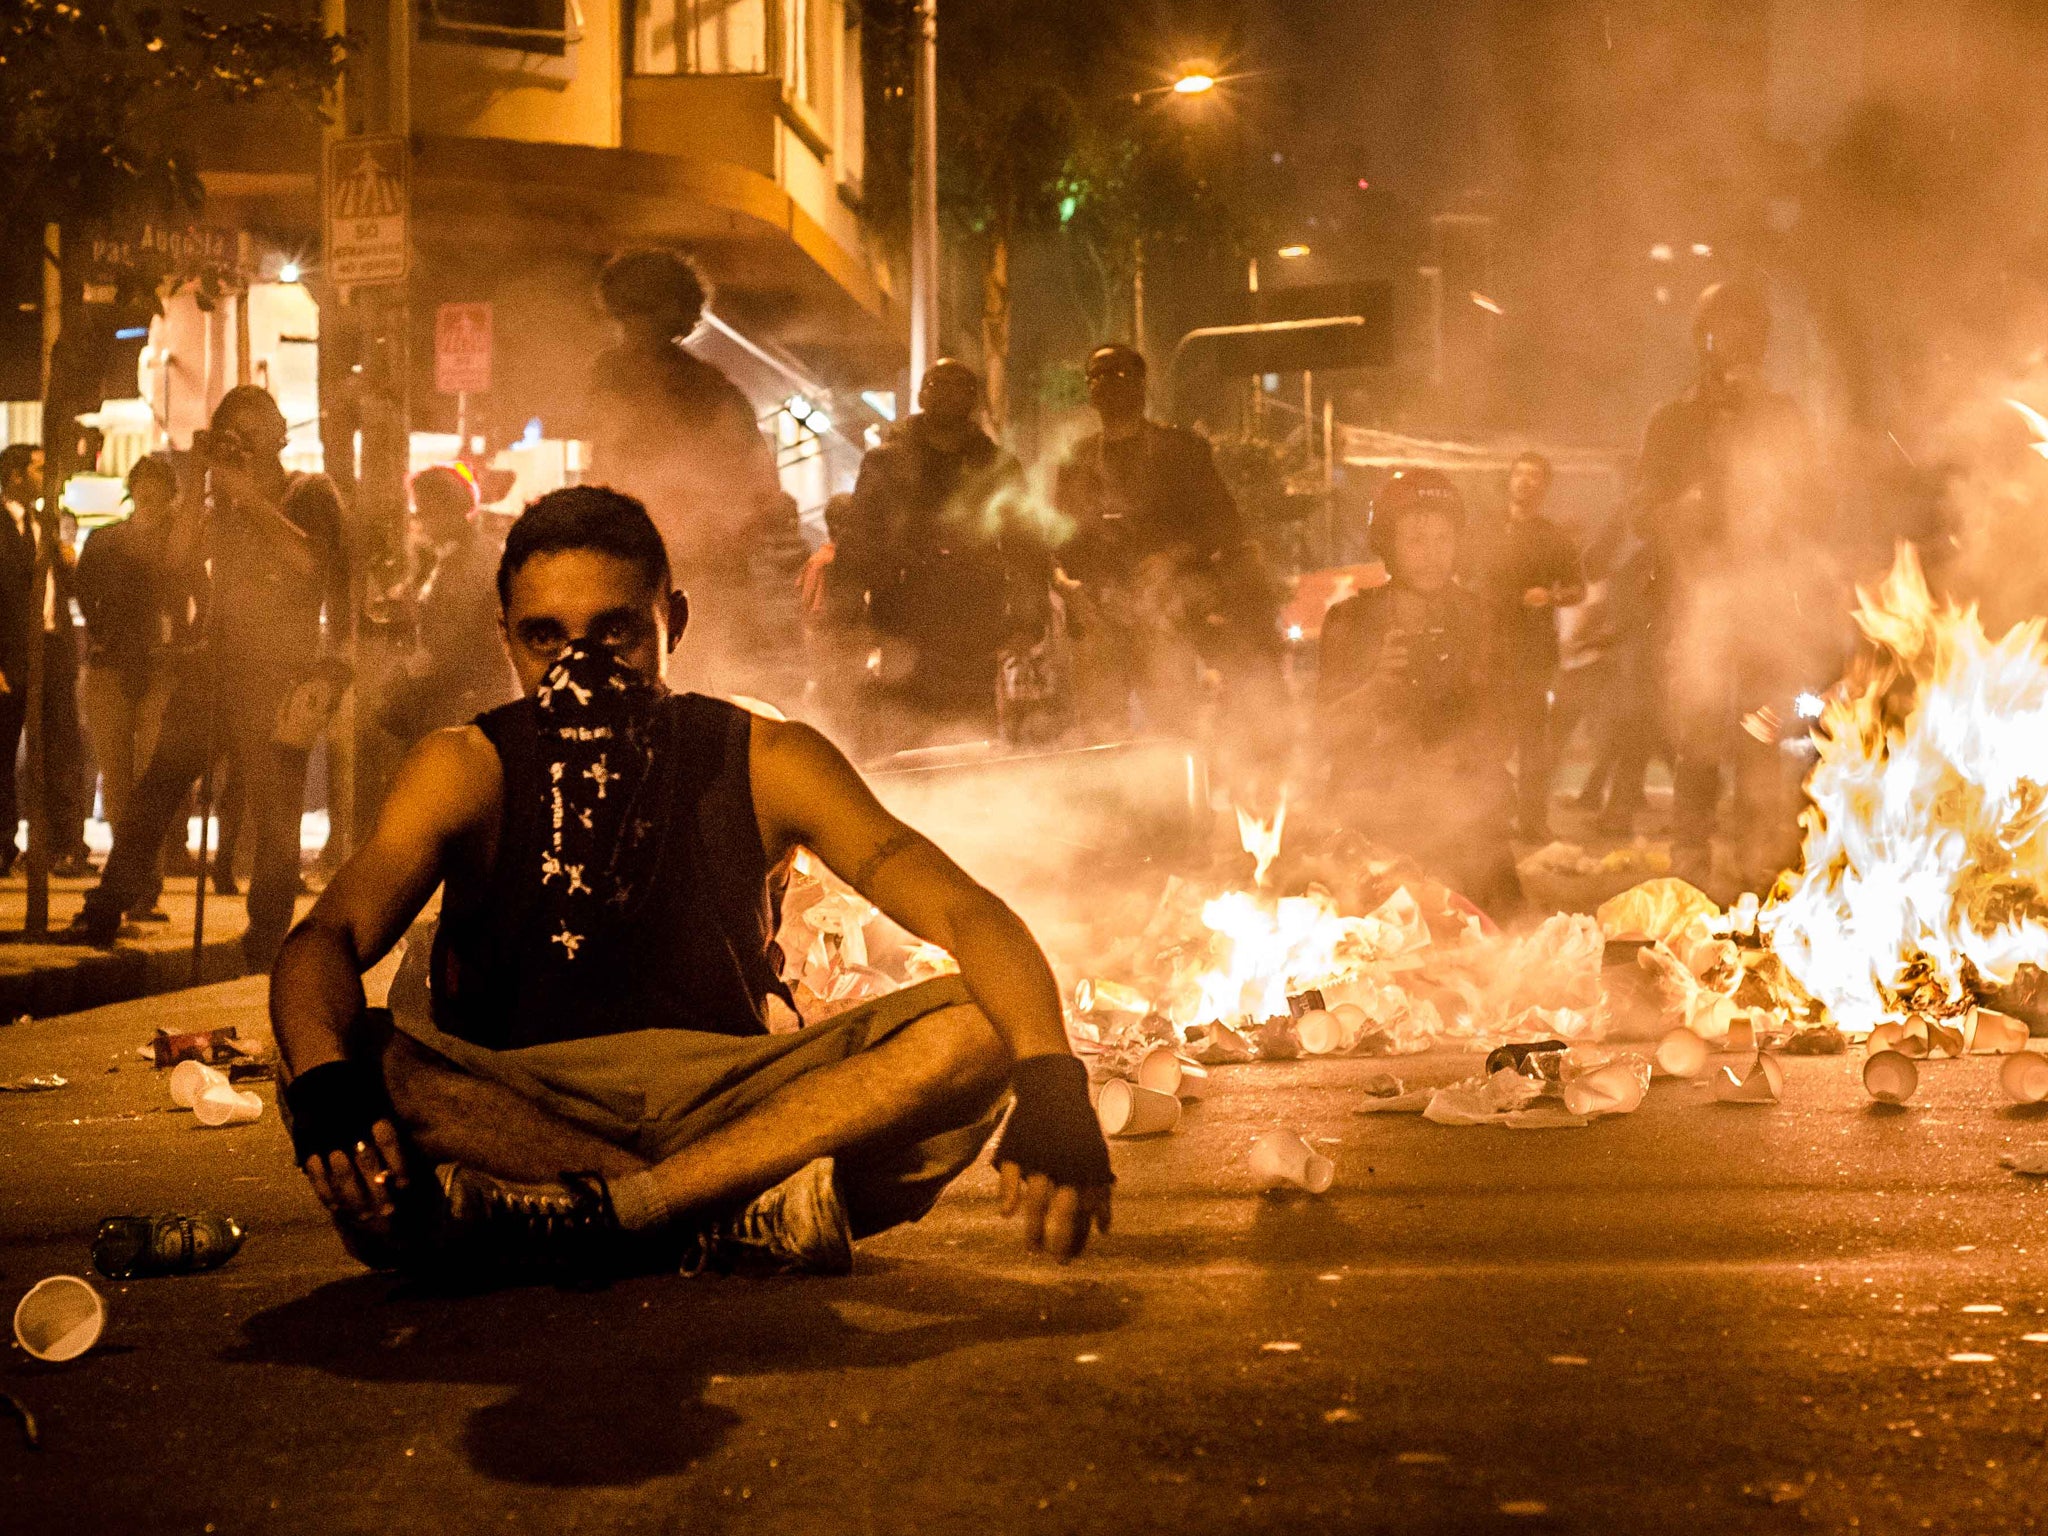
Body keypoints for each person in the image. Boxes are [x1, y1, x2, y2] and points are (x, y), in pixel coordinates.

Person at [268, 486, 1113, 1282]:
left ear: (673, 621)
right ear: (507, 639)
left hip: (735, 1103)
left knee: (981, 1026)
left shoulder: (766, 759)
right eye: (545, 638)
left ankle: (608, 1218)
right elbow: (326, 940)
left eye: (618, 632)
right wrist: (326, 1086)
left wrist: (1052, 1078)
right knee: (334, 1053)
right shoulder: (467, 767)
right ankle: (718, 1216)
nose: (581, 665)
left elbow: (966, 912)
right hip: (519, 1105)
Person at [76, 386, 350, 969]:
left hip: (279, 675)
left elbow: (311, 567)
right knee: (159, 787)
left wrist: (250, 501)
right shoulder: (218, 498)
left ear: (278, 434)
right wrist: (201, 489)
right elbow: (175, 561)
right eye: (235, 432)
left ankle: (266, 932)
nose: (247, 442)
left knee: (275, 810)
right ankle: (110, 899)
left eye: (257, 429)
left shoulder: (309, 492)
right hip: (215, 669)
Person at [1632, 279, 1818, 876]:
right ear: (1702, 339)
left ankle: (1757, 859)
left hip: (1766, 600)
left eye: (1749, 331)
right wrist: (1680, 509)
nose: (1737, 343)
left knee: (1764, 730)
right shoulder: (1673, 421)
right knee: (1699, 733)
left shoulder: (1784, 415)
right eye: (1724, 329)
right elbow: (1641, 510)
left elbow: (1815, 506)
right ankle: (1689, 860)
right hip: (1696, 600)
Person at [586, 247, 808, 705]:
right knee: (685, 681)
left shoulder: (612, 376)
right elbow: (761, 484)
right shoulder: (712, 389)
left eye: (637, 317)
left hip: (664, 562)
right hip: (695, 565)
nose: (632, 333)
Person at [808, 359, 1043, 754]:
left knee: (972, 739)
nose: (947, 392)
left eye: (959, 385)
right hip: (904, 621)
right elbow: (858, 542)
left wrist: (1028, 619)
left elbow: (1026, 546)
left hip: (975, 624)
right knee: (906, 739)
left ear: (973, 399)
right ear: (921, 394)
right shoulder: (884, 463)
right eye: (937, 383)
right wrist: (845, 620)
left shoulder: (998, 467)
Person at [1317, 469, 1522, 917]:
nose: (1432, 555)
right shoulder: (1351, 622)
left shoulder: (1481, 618)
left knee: (1509, 942)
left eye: (1443, 539)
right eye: (1415, 540)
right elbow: (1325, 734)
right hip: (1376, 820)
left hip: (1464, 817)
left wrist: (1457, 761)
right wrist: (1372, 691)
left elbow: (1503, 726)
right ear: (1388, 546)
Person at [1052, 344, 1280, 742]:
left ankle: (1173, 801)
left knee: (1173, 735)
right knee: (1098, 741)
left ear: (1141, 385)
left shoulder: (1181, 450)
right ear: (1089, 390)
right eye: (1098, 376)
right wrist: (1068, 586)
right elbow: (1059, 539)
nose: (1108, 384)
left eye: (1120, 374)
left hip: (1163, 615)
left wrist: (1171, 560)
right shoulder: (1079, 458)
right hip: (1097, 618)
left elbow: (1224, 524)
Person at [76, 455, 181, 844]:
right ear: (133, 489)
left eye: (159, 484)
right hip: (113, 664)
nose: (150, 493)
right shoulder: (105, 540)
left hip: (158, 664)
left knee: (150, 773)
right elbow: (85, 592)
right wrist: (103, 634)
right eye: (144, 483)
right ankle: (131, 870)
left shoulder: (179, 541)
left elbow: (198, 597)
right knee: (118, 773)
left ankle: (142, 872)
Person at [1482, 453, 1585, 842]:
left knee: (1531, 745)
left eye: (1535, 477)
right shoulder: (1487, 529)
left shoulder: (1553, 537)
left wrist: (1552, 595)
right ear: (1509, 480)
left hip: (1532, 653)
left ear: (1545, 487)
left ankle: (1532, 822)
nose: (1526, 482)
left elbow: (1578, 589)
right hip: (1488, 648)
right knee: (1487, 740)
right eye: (1520, 474)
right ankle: (1488, 817)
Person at [374, 465, 515, 746]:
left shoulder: (469, 559)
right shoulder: (454, 554)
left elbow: (449, 640)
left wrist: (399, 675)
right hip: (470, 694)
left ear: (446, 509)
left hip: (468, 699)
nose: (420, 520)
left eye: (424, 511)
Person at [0, 442, 90, 876]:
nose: (44, 476)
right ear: (15, 475)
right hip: (11, 651)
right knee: (3, 749)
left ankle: (65, 843)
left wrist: (70, 563)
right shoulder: (2, 526)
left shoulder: (47, 523)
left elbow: (67, 587)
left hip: (53, 649)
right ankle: (3, 843)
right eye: (37, 468)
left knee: (62, 747)